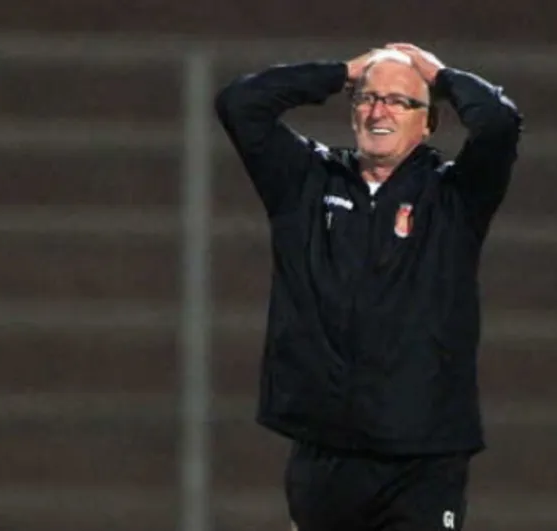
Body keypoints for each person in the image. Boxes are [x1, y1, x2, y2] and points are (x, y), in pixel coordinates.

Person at [214, 42, 522, 531]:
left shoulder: (455, 197)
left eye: (399, 101)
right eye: (367, 97)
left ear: (428, 122)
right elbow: (240, 104)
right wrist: (341, 72)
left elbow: (500, 123)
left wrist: (441, 77)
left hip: (423, 461)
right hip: (326, 452)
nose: (379, 111)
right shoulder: (308, 182)